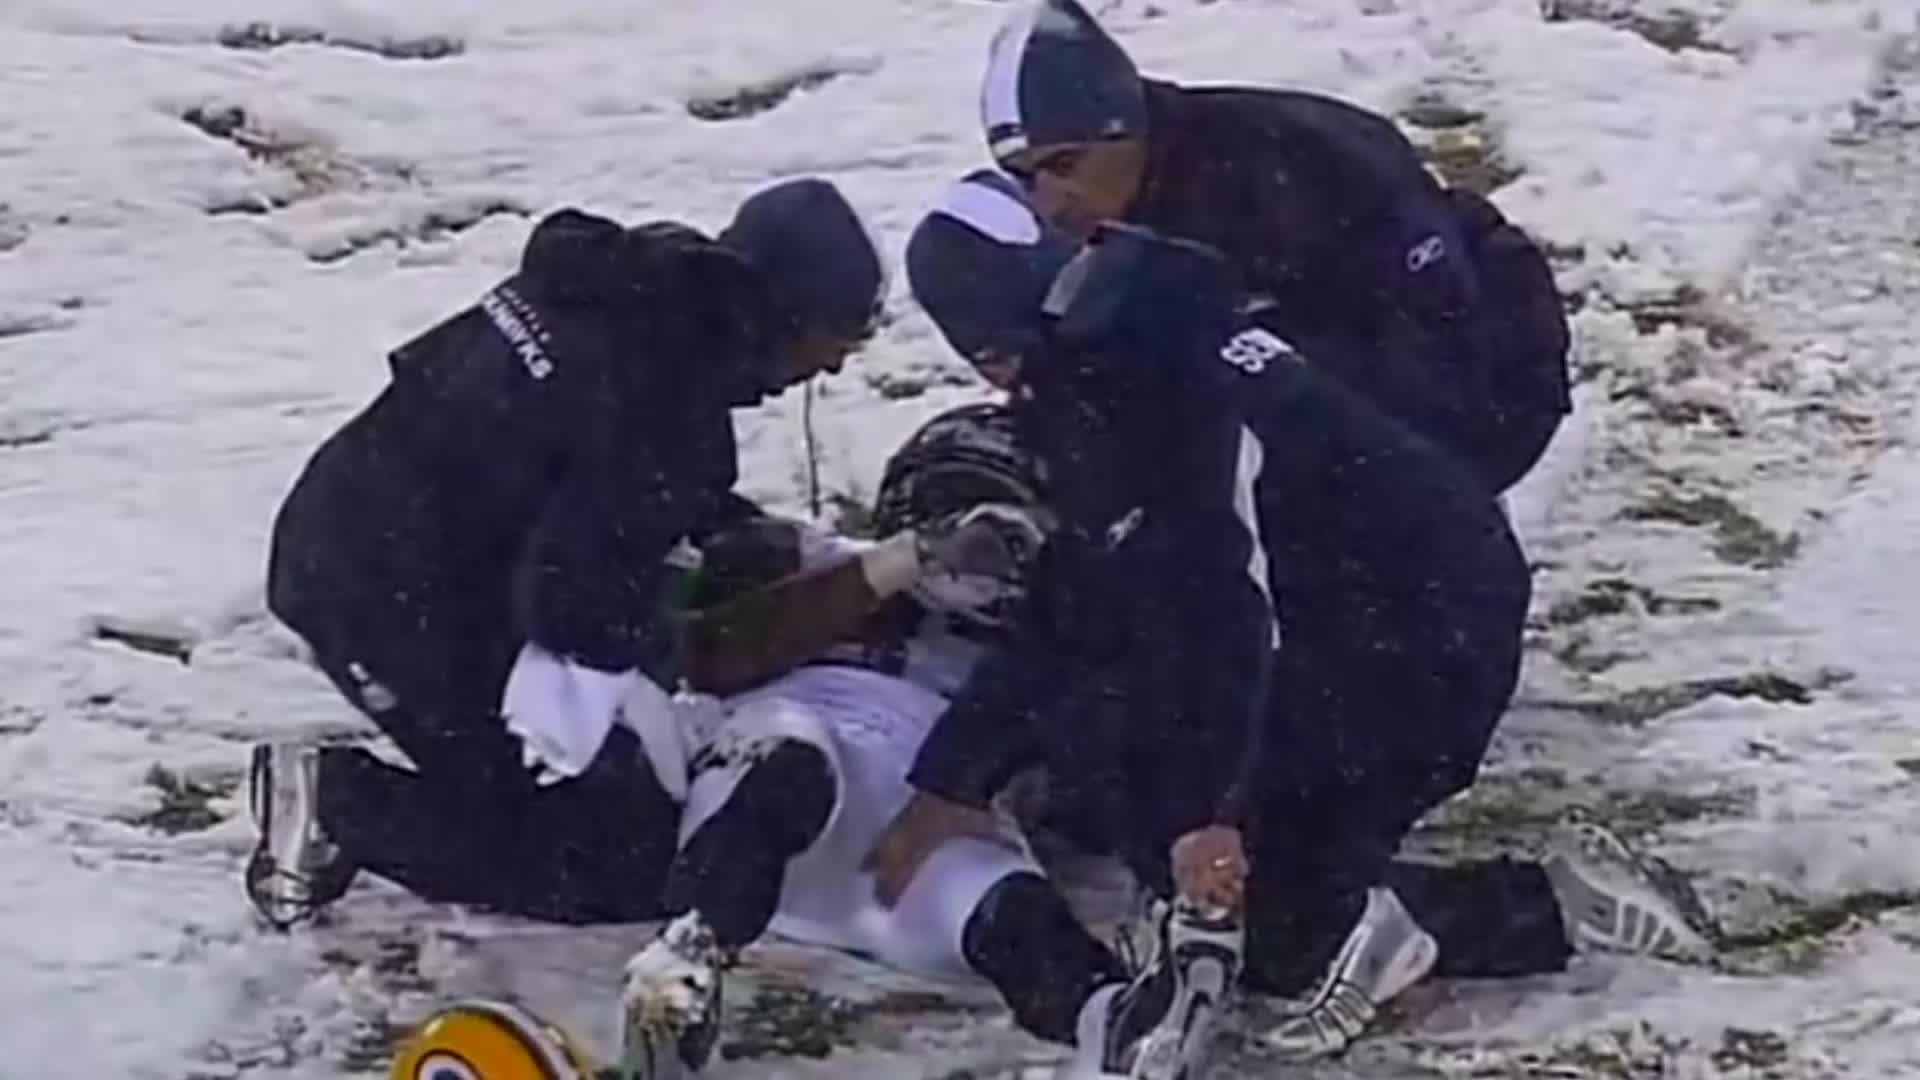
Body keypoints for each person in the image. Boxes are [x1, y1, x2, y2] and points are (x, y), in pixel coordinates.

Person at [880, 171, 1717, 1061]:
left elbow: (1234, 603)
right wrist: (952, 779)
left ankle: (1539, 902)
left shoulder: (1131, 388)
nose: (997, 377)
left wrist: (1218, 812)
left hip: (1416, 633)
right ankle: (1282, 893)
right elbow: (1087, 589)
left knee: (1272, 934)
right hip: (1389, 587)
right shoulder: (1139, 315)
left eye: (990, 352)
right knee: (1123, 766)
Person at [245, 177, 907, 929]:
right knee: (612, 856)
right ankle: (337, 803)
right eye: (836, 341)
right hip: (382, 601)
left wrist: (730, 533)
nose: (835, 369)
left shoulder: (637, 285)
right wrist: (665, 673)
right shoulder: (665, 403)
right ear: (787, 311)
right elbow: (572, 606)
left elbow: (577, 461)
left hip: (357, 519)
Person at [615, 403, 1244, 1080]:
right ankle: (686, 962)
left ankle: (1115, 1024)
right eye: (957, 521)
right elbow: (709, 651)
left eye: (1009, 535)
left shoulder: (1051, 635)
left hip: (922, 829)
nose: (982, 556)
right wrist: (900, 564)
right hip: (797, 751)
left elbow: (1094, 754)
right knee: (790, 766)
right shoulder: (823, 564)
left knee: (1008, 904)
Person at [975, 0, 1572, 495]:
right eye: (1024, 176)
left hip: (1480, 376)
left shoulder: (1301, 172)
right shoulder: (1119, 194)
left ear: (1123, 128)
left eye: (1064, 164)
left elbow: (1440, 376)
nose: (1049, 200)